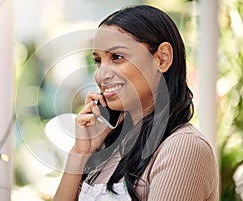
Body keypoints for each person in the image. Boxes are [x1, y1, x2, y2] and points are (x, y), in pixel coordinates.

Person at [53, 5, 219, 201]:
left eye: (117, 57)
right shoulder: (107, 147)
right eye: (98, 61)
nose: (101, 74)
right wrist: (80, 152)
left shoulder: (184, 147)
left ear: (162, 59)